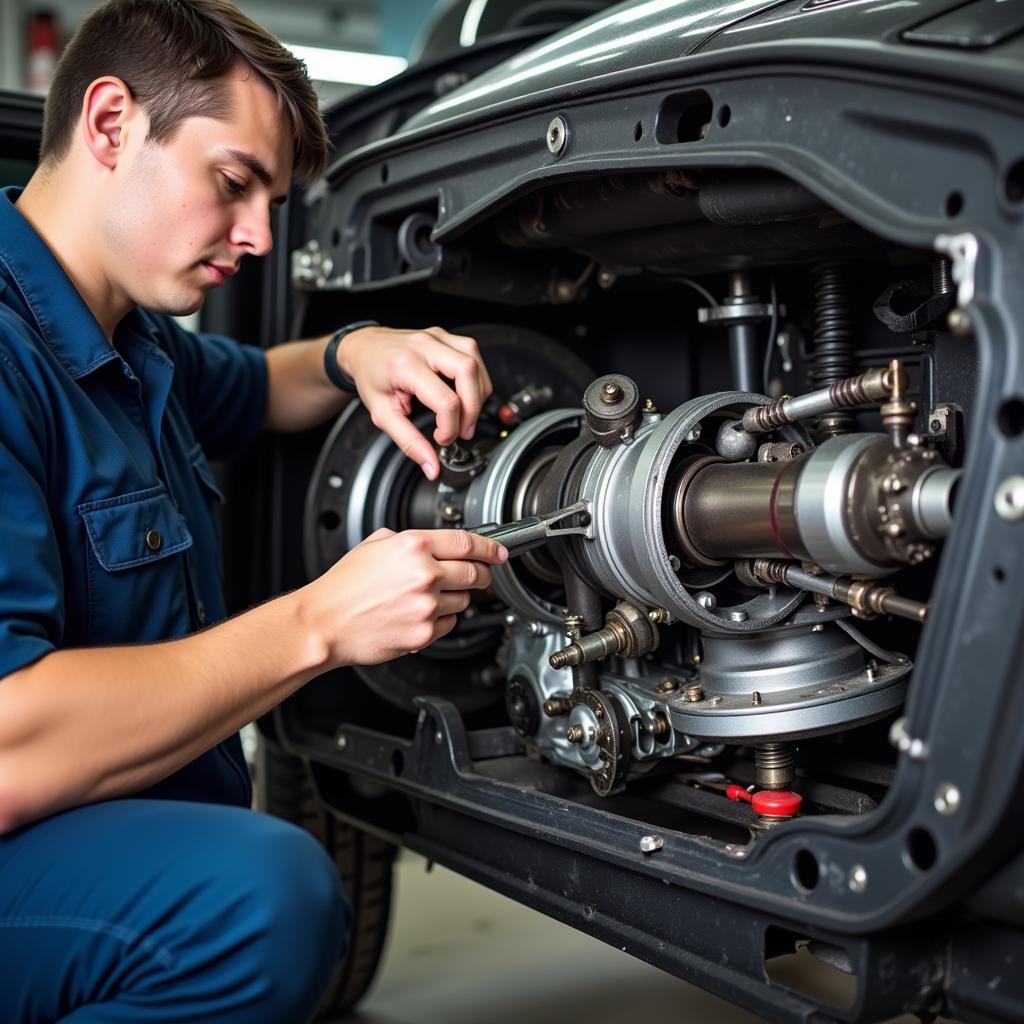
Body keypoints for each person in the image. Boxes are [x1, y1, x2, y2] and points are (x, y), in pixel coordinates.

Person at [0, 0, 508, 1019]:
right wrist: (321, 624)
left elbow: (260, 385)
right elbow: (10, 745)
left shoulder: (128, 339)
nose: (259, 236)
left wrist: (357, 349)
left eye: (271, 200)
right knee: (258, 905)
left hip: (106, 823)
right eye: (233, 184)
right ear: (109, 124)